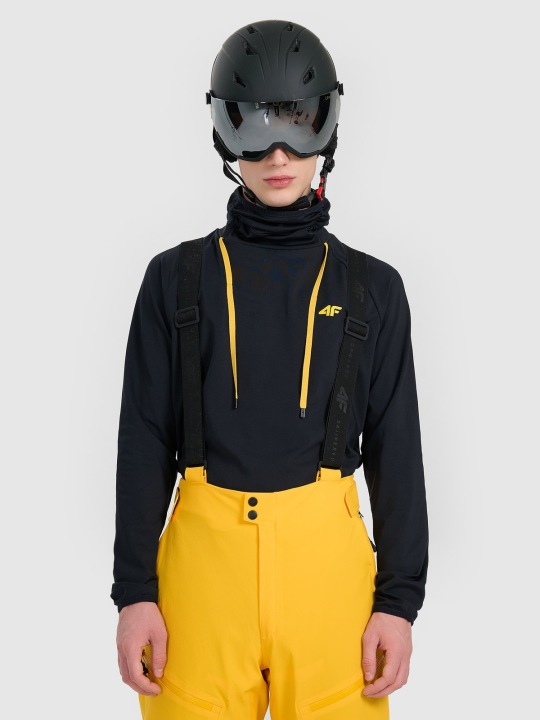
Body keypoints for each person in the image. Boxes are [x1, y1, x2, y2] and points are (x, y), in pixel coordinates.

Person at [111, 18, 429, 720]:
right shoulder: (175, 279)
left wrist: (399, 603)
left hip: (329, 585)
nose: (277, 152)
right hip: (199, 587)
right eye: (253, 125)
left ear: (328, 127)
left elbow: (395, 449)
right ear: (223, 132)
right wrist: (134, 593)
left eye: (297, 122)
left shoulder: (372, 288)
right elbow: (144, 440)